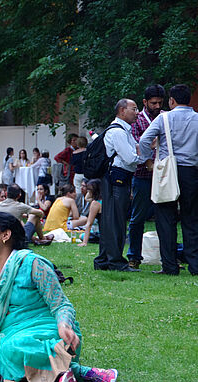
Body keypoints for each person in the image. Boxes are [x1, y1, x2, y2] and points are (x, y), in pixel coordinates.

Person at [0, 212, 118, 382]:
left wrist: (64, 325)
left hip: (46, 335)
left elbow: (61, 304)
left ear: (5, 235)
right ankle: (58, 376)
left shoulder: (32, 264)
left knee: (13, 347)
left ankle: (82, 372)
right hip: (4, 338)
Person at [139, 84, 198, 275]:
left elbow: (143, 140)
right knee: (191, 219)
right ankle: (195, 264)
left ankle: (170, 265)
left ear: (171, 101)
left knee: (165, 218)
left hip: (167, 172)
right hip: (191, 172)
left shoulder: (164, 118)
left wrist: (148, 162)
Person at [94, 98, 147, 272]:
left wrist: (136, 153)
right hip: (116, 179)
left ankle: (103, 260)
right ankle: (115, 262)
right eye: (134, 108)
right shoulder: (117, 132)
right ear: (122, 111)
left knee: (112, 219)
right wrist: (141, 158)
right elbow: (131, 158)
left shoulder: (125, 130)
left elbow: (132, 153)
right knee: (115, 221)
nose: (138, 112)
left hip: (118, 178)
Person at [127, 84, 165, 269]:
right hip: (142, 175)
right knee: (137, 218)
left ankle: (168, 257)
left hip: (163, 175)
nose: (157, 106)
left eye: (160, 103)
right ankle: (134, 256)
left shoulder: (166, 117)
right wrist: (148, 151)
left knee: (165, 217)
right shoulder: (137, 120)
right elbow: (135, 146)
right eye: (153, 103)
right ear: (145, 102)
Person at [78, 179, 102, 247]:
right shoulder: (106, 200)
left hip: (102, 235)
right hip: (112, 233)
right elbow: (87, 198)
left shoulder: (95, 203)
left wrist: (84, 242)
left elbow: (89, 224)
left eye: (88, 189)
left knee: (81, 236)